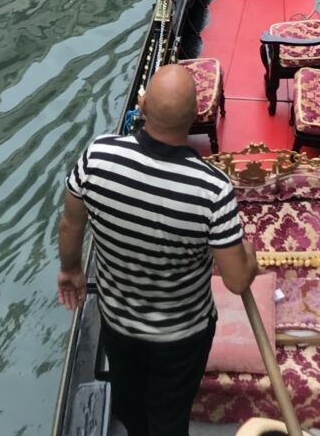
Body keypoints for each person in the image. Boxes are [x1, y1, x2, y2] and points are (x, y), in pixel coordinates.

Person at [57, 64, 258, 436]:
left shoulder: (97, 156)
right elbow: (236, 280)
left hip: (118, 322)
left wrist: (70, 270)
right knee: (169, 415)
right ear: (196, 117)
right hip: (182, 336)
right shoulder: (212, 189)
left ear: (144, 107)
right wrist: (248, 251)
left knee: (130, 404)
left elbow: (71, 224)